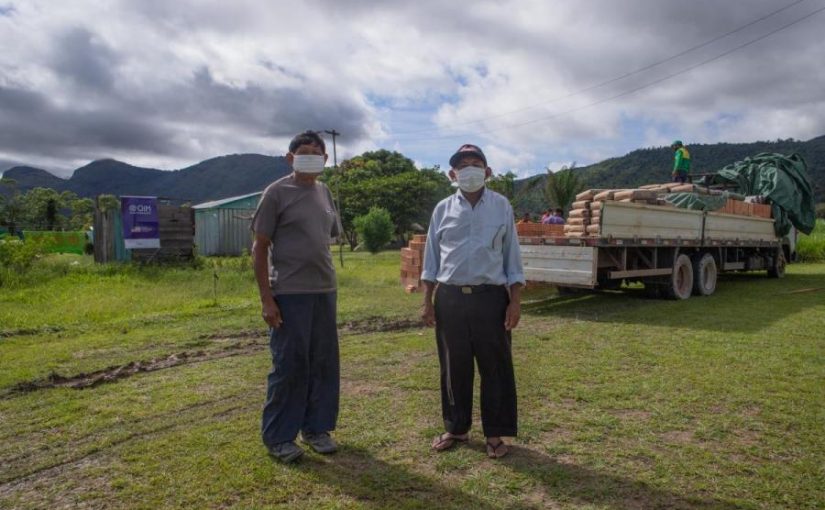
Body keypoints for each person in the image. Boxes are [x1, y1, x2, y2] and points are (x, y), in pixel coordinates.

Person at [420, 143, 525, 459]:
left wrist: (515, 301)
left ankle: (495, 434)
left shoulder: (501, 206)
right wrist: (427, 299)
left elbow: (512, 257)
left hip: (490, 298)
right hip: (450, 298)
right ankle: (457, 428)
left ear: (487, 171)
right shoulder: (442, 209)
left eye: (475, 162)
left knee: (495, 367)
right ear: (453, 174)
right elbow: (431, 258)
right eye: (462, 164)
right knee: (454, 366)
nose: (469, 168)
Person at [251, 130, 341, 463]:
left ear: (325, 159)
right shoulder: (276, 193)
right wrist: (267, 299)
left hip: (324, 292)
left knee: (323, 363)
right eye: (303, 151)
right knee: (290, 366)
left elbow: (327, 237)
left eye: (317, 152)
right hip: (289, 293)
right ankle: (278, 437)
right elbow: (259, 248)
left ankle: (316, 429)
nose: (311, 156)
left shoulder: (325, 192)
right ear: (290, 158)